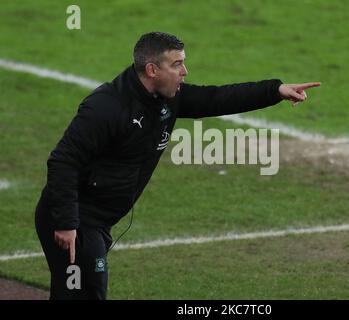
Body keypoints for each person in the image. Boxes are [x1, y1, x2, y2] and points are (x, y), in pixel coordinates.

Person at [34, 31, 320, 299]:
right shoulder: (106, 107)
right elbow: (63, 160)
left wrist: (276, 90)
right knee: (88, 292)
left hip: (95, 219)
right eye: (177, 64)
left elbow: (218, 98)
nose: (185, 72)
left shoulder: (168, 99)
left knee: (71, 294)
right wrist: (67, 223)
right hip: (75, 219)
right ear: (152, 70)